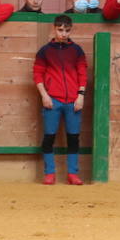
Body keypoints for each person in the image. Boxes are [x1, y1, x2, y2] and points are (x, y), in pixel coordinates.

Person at [33, 14, 86, 186]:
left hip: (73, 101)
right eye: (60, 30)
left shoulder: (77, 51)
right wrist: (44, 95)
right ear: (54, 29)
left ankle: (72, 173)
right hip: (52, 100)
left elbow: (82, 74)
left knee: (73, 138)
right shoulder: (44, 51)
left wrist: (81, 96)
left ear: (71, 30)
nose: (63, 34)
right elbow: (37, 74)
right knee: (49, 137)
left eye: (67, 31)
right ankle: (49, 173)